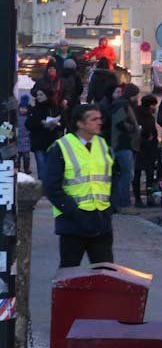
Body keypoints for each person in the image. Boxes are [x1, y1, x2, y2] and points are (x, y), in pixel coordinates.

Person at [42, 104, 115, 268]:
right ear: (80, 124)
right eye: (93, 119)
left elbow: (112, 177)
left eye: (100, 118)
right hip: (73, 222)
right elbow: (51, 187)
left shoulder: (103, 144)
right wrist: (72, 210)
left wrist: (111, 207)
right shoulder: (61, 147)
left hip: (101, 219)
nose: (99, 122)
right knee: (69, 272)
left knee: (105, 272)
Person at [109, 83, 141, 210]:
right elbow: (120, 123)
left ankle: (119, 203)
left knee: (122, 175)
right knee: (126, 175)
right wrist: (132, 128)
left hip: (122, 144)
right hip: (122, 145)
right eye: (136, 95)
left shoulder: (122, 104)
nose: (137, 98)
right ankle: (124, 203)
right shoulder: (122, 105)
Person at [26, 88, 64, 179]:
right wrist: (41, 123)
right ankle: (42, 187)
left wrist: (56, 124)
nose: (38, 97)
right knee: (42, 171)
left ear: (47, 96)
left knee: (52, 171)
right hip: (38, 144)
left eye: (41, 95)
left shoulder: (54, 108)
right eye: (37, 95)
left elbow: (63, 123)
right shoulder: (34, 108)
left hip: (51, 143)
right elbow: (28, 124)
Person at [133, 95, 159, 207]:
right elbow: (139, 132)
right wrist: (147, 138)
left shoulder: (144, 115)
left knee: (145, 175)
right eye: (153, 105)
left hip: (146, 149)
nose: (155, 107)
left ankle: (145, 198)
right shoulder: (143, 116)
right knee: (142, 175)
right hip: (143, 149)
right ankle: (143, 198)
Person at [16, 97, 32, 174]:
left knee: (26, 157)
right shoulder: (16, 118)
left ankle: (26, 168)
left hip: (26, 140)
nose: (23, 110)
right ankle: (17, 169)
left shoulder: (29, 118)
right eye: (21, 108)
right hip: (17, 141)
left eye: (25, 108)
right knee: (17, 157)